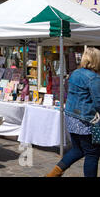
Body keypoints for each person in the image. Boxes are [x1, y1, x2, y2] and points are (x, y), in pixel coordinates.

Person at [46, 47, 100, 177]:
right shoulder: (94, 78)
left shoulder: (75, 73)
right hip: (86, 120)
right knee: (92, 153)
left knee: (78, 150)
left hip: (71, 116)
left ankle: (53, 174)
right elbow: (98, 102)